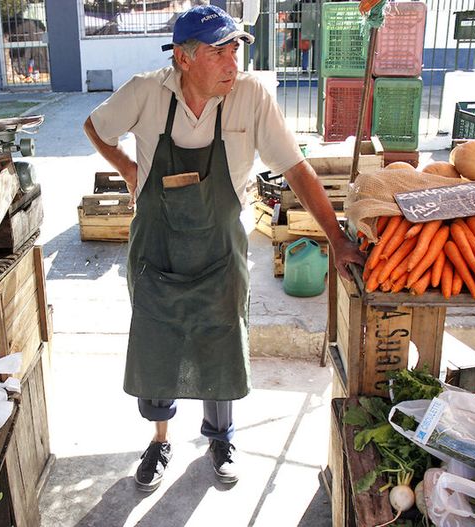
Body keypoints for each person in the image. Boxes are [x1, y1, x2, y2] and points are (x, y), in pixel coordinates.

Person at [83, 4, 364, 493]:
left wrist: (337, 238)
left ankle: (221, 438)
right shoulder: (146, 92)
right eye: (220, 51)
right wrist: (129, 169)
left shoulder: (252, 96)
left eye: (236, 49)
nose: (234, 62)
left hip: (219, 247)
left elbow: (297, 169)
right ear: (184, 58)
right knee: (157, 345)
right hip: (156, 248)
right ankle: (160, 439)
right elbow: (95, 126)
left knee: (222, 340)